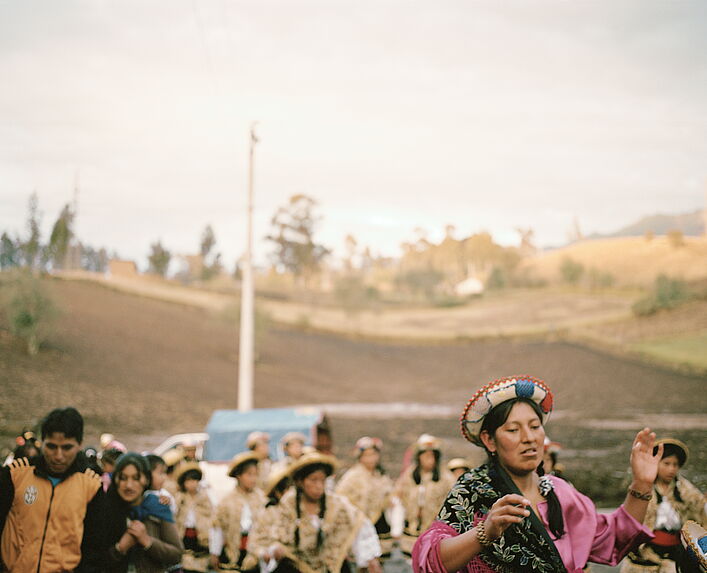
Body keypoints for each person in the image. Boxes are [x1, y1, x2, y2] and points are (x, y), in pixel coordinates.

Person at [412, 375, 661, 573]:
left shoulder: (560, 492)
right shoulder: (473, 490)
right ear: (489, 440)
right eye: (513, 429)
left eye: (534, 426)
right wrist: (484, 532)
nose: (529, 438)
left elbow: (615, 538)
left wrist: (642, 483)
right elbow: (429, 562)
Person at [0, 406, 106, 572]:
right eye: (51, 446)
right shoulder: (15, 475)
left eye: (66, 448)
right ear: (42, 443)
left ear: (79, 445)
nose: (58, 455)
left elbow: (94, 548)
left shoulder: (91, 486)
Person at [249, 451, 382, 573]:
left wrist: (369, 557)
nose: (319, 486)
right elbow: (279, 535)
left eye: (322, 480)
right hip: (297, 566)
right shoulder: (288, 504)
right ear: (300, 482)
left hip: (331, 565)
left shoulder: (336, 504)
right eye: (313, 480)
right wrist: (275, 550)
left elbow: (359, 523)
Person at [621, 438, 705, 573]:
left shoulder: (685, 490)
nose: (671, 469)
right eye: (666, 463)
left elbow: (701, 510)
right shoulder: (643, 488)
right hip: (646, 551)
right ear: (656, 463)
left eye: (675, 465)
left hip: (676, 550)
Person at [105, 452, 183, 572]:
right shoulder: (105, 511)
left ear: (146, 479)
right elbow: (95, 560)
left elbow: (176, 554)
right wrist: (120, 548)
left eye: (136, 478)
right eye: (123, 478)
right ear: (115, 479)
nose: (129, 485)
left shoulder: (158, 507)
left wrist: (147, 541)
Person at [395, 434, 455, 557]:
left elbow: (453, 500)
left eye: (432, 456)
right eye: (425, 455)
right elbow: (398, 494)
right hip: (412, 525)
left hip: (434, 525)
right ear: (419, 457)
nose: (429, 459)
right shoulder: (410, 474)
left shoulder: (446, 477)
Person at [336, 436, 395, 559]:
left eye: (373, 454)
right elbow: (340, 498)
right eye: (366, 455)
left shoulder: (381, 476)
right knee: (364, 560)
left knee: (381, 557)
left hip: (380, 521)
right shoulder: (352, 477)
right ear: (360, 457)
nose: (371, 458)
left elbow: (389, 494)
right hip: (360, 523)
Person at [210, 451, 266, 571]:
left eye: (255, 475)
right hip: (232, 550)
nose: (253, 479)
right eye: (249, 475)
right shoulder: (226, 500)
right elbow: (218, 528)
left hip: (256, 551)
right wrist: (214, 552)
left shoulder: (261, 498)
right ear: (239, 476)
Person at [174, 462, 213, 573]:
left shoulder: (204, 497)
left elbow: (211, 515)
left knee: (199, 557)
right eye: (189, 481)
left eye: (195, 480)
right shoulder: (180, 497)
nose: (192, 484)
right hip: (184, 533)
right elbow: (175, 514)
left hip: (200, 534)